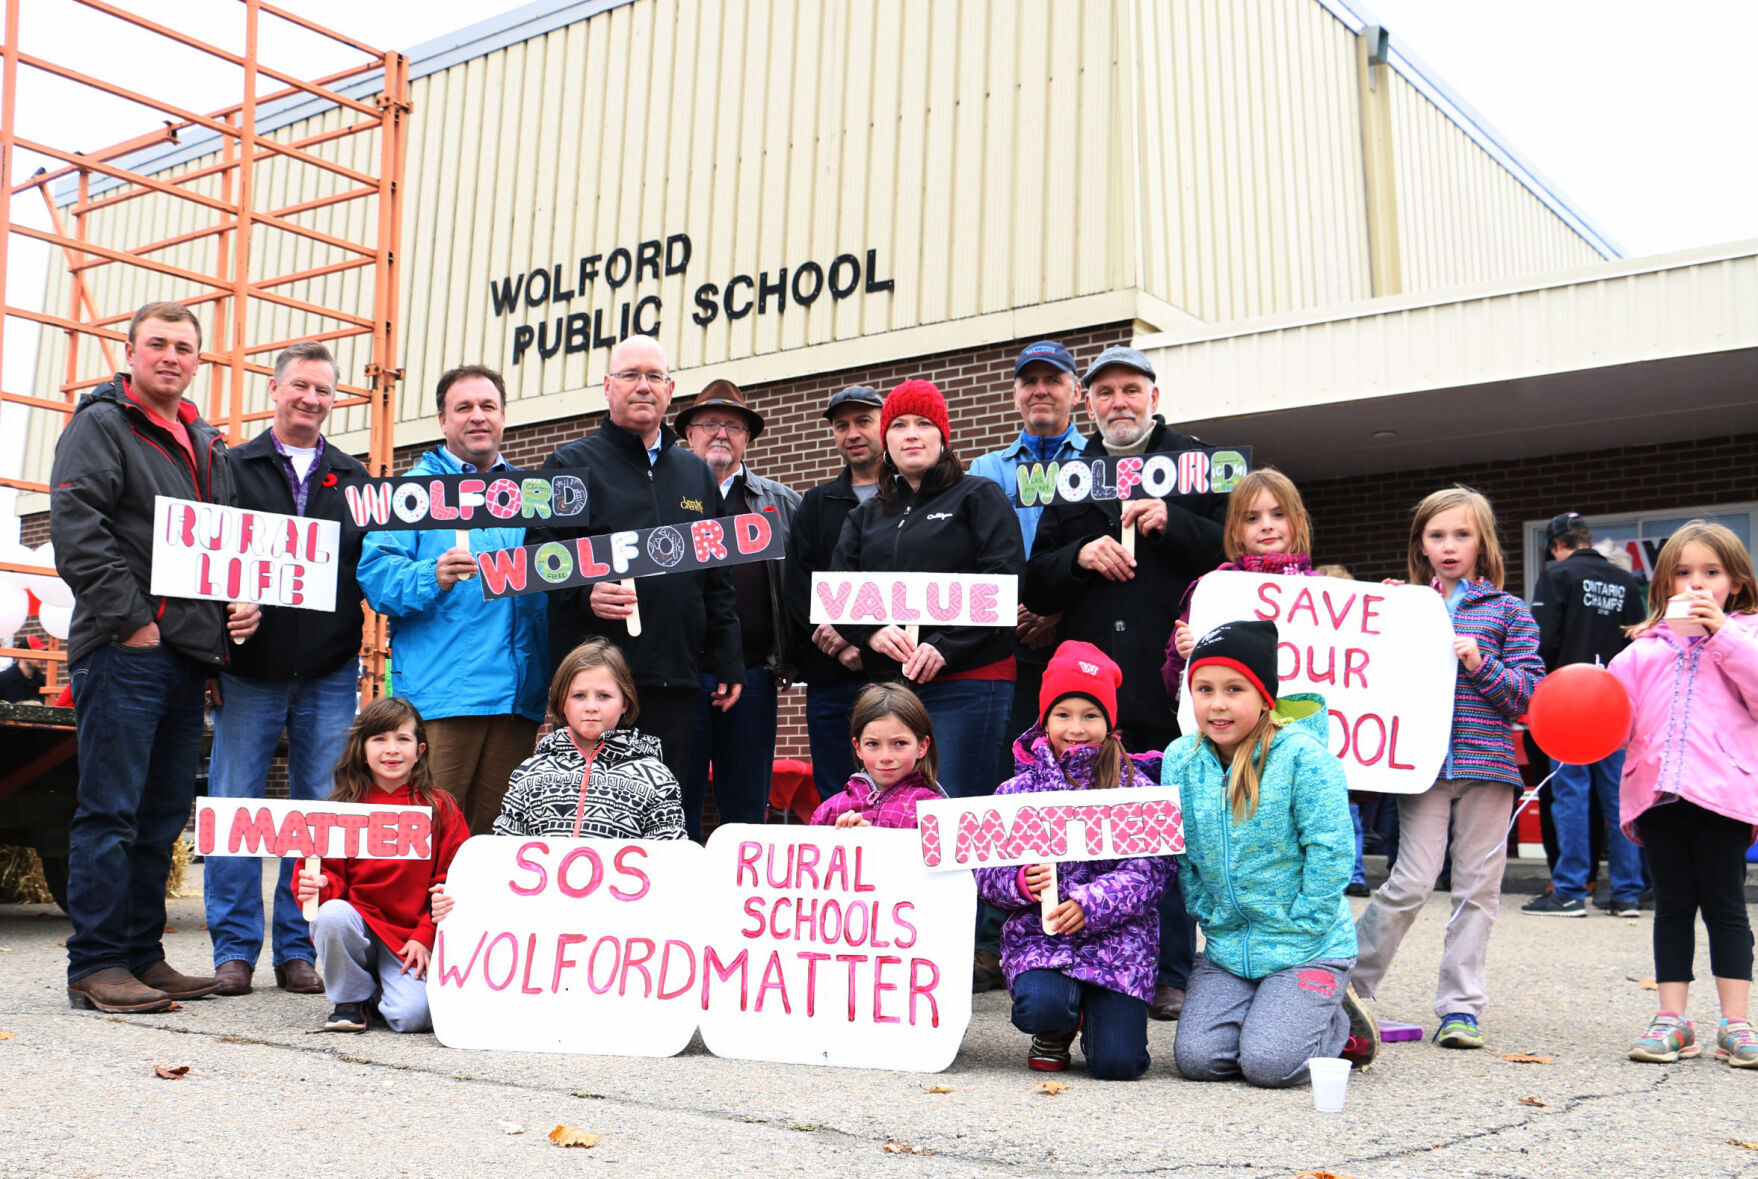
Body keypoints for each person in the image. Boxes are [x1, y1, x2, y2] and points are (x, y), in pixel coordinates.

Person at [52, 301, 261, 1014]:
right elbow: (79, 529)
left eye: (185, 346)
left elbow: (220, 545)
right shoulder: (102, 424)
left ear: (199, 359)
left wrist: (239, 604)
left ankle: (143, 954)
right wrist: (133, 621)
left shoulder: (206, 442)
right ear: (132, 351)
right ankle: (98, 963)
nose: (172, 355)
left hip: (190, 656)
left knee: (160, 812)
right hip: (126, 649)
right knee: (110, 809)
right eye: (159, 344)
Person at [1026, 345, 1232, 1022]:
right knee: (1088, 834)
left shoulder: (1197, 462)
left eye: (1130, 389)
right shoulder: (1073, 474)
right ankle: (1085, 959)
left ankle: (1171, 970)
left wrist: (1171, 520)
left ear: (1153, 394)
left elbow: (1236, 551)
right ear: (1088, 403)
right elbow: (1037, 578)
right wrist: (1081, 555)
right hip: (1088, 696)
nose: (1118, 401)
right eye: (1105, 391)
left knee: (1165, 832)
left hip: (1167, 681)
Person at [829, 378, 1025, 989]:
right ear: (885, 441)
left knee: (959, 810)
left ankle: (974, 946)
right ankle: (904, 938)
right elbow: (842, 591)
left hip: (971, 679)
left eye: (922, 426)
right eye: (899, 427)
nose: (910, 436)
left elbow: (1003, 583)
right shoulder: (867, 515)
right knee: (895, 810)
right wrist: (869, 635)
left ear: (943, 436)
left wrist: (948, 646)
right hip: (899, 688)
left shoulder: (978, 496)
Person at [1350, 486, 1545, 1050]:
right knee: (1409, 882)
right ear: (1422, 545)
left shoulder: (1510, 612)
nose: (1450, 545)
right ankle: (1352, 987)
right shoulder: (1406, 605)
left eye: (1462, 534)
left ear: (1482, 542)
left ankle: (1461, 1010)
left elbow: (1526, 697)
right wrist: (1378, 617)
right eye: (1438, 535)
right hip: (1421, 766)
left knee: (1477, 890)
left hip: (1489, 767)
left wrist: (1480, 663)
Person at [204, 341, 369, 998]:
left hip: (330, 669)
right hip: (251, 669)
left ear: (334, 399)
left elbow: (368, 569)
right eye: (299, 386)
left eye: (323, 390)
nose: (310, 399)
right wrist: (223, 613)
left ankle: (298, 947)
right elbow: (205, 554)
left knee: (317, 813)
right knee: (234, 807)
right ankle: (235, 950)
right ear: (275, 390)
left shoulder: (356, 479)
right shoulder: (230, 468)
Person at [1163, 621, 1376, 1087]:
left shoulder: (1303, 757)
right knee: (1198, 1061)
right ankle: (1279, 1012)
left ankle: (1336, 1021)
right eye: (1204, 689)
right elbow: (1180, 848)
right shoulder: (1180, 758)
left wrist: (1306, 920)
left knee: (1270, 1065)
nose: (1217, 704)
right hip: (1230, 946)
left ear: (1264, 697)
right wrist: (1205, 910)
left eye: (1234, 689)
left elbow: (1332, 849)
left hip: (1305, 944)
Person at [533, 336, 742, 786]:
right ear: (608, 386)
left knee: (666, 809)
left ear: (670, 389)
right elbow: (540, 555)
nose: (642, 386)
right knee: (590, 808)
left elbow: (717, 576)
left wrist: (727, 658)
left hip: (675, 682)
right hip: (596, 687)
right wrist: (584, 592)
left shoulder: (696, 474)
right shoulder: (569, 465)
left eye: (653, 377)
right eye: (630, 375)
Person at [357, 365, 549, 834]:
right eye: (463, 408)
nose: (477, 417)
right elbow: (376, 577)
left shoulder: (530, 496)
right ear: (443, 421)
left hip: (517, 700)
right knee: (429, 834)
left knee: (493, 842)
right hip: (442, 698)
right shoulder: (411, 494)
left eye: (488, 407)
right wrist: (431, 575)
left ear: (504, 417)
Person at [975, 641, 1172, 1079]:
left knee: (1119, 1065)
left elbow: (1153, 870)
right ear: (1045, 720)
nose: (1076, 728)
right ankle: (1057, 1025)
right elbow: (984, 871)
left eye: (1090, 715)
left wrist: (1091, 902)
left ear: (1110, 721)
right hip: (1041, 941)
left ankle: (1098, 1019)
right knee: (1040, 1007)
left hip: (1119, 945)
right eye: (1063, 715)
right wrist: (1020, 882)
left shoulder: (1136, 787)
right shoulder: (1015, 791)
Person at [1613, 523, 1758, 1068]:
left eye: (1711, 573)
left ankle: (1736, 1023)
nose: (1696, 584)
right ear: (1664, 584)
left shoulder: (1748, 637)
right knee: (1671, 906)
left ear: (1737, 583)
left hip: (1723, 795)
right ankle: (1672, 1019)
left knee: (1725, 907)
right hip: (1658, 797)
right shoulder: (1643, 650)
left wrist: (1721, 634)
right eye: (1683, 572)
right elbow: (1614, 716)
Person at [295, 697, 468, 1033]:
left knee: (414, 1018)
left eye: (402, 739)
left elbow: (453, 879)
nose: (392, 749)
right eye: (379, 739)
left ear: (419, 751)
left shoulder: (440, 807)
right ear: (361, 750)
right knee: (332, 915)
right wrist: (315, 887)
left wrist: (426, 935)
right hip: (356, 923)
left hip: (407, 937)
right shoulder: (340, 808)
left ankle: (376, 994)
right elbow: (322, 872)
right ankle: (349, 999)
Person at [674, 380, 800, 839]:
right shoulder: (665, 499)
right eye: (710, 423)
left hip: (751, 676)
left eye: (734, 425)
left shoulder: (782, 504)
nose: (721, 433)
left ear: (748, 438)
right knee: (675, 803)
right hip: (680, 677)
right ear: (689, 433)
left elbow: (803, 587)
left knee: (747, 807)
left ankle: (742, 907)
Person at [968, 341, 1089, 785]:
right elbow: (969, 560)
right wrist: (1015, 611)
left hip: (1080, 632)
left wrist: (1055, 607)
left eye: (1053, 380)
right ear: (1016, 393)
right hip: (1006, 644)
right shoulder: (983, 471)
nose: (1041, 390)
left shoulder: (1098, 464)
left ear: (1076, 393)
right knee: (1010, 766)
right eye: (1030, 381)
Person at [1521, 511, 1648, 919]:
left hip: (1568, 700)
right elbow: (1638, 641)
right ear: (1587, 539)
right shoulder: (1627, 582)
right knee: (1618, 796)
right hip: (1616, 700)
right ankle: (1627, 893)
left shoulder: (1558, 576)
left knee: (1570, 795)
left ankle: (1571, 889)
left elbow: (1542, 643)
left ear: (1556, 546)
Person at [783, 385, 886, 807]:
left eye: (863, 422)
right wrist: (842, 638)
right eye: (842, 426)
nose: (852, 433)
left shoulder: (910, 498)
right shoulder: (816, 503)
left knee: (895, 792)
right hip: (829, 674)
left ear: (885, 426)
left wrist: (860, 636)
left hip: (891, 673)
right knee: (835, 796)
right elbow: (799, 581)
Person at [492, 639, 687, 841]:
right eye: (579, 696)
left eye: (604, 696)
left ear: (625, 703)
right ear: (561, 702)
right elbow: (507, 849)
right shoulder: (529, 774)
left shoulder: (656, 778)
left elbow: (668, 856)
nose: (591, 706)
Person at [809, 682, 945, 829]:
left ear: (922, 746)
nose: (885, 757)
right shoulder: (830, 811)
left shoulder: (935, 812)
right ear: (858, 748)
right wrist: (839, 841)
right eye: (873, 744)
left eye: (899, 743)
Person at [0, 636, 47, 703]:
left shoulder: (43, 681)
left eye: (44, 652)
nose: (41, 657)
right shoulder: (3, 680)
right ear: (23, 654)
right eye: (37, 652)